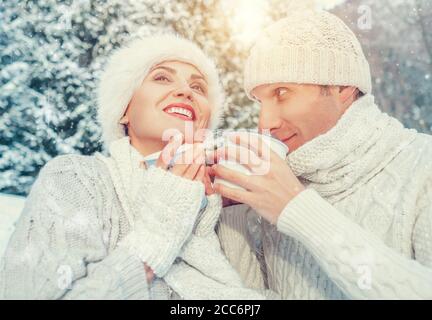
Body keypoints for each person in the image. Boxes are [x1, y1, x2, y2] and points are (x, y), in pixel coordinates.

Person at [0, 34, 265, 300]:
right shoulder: (77, 178)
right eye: (162, 77)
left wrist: (234, 216)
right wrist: (160, 228)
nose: (186, 91)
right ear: (124, 109)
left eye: (198, 87)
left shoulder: (227, 208)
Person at [212, 10, 432, 299]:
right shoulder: (281, 180)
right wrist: (233, 214)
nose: (265, 122)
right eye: (259, 101)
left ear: (342, 87)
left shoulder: (422, 166)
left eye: (281, 93)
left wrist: (297, 210)